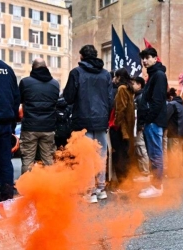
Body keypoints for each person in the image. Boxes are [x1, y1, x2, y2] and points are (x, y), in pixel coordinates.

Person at [63, 44, 112, 203]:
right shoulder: (105, 74)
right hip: (101, 120)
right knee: (101, 155)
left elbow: (68, 97)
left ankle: (90, 192)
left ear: (82, 57)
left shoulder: (76, 73)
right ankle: (101, 189)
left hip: (82, 120)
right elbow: (110, 99)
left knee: (86, 157)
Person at [0, 36, 20, 202]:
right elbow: (16, 98)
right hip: (5, 123)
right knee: (5, 162)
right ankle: (7, 199)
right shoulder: (7, 69)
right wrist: (12, 124)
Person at [19, 58, 59, 174]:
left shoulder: (25, 82)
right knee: (48, 159)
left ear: (33, 68)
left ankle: (27, 188)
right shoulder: (55, 84)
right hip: (48, 127)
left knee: (27, 159)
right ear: (46, 68)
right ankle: (49, 187)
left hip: (29, 127)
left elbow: (20, 100)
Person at [137, 47, 167, 198]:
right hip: (151, 122)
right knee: (152, 154)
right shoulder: (153, 75)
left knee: (155, 154)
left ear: (155, 58)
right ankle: (154, 184)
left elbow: (157, 101)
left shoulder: (159, 75)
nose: (145, 60)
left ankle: (157, 187)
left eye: (148, 57)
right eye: (143, 58)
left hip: (154, 121)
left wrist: (148, 119)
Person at [109, 68, 135, 193]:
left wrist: (116, 124)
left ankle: (123, 184)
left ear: (119, 77)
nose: (113, 79)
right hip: (126, 128)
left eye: (115, 77)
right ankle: (126, 183)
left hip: (119, 128)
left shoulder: (121, 89)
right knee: (124, 155)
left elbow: (120, 109)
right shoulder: (129, 89)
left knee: (118, 155)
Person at [132, 76, 150, 182]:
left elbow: (142, 112)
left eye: (133, 83)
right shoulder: (138, 96)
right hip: (138, 126)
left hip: (139, 127)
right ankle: (143, 172)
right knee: (139, 148)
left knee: (141, 148)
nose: (132, 85)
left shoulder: (141, 96)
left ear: (139, 85)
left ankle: (145, 173)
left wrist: (140, 125)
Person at [166, 88, 183, 178]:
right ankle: (179, 172)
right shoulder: (181, 105)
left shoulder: (172, 104)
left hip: (174, 132)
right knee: (179, 153)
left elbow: (166, 117)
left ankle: (173, 173)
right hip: (181, 132)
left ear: (170, 97)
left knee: (172, 153)